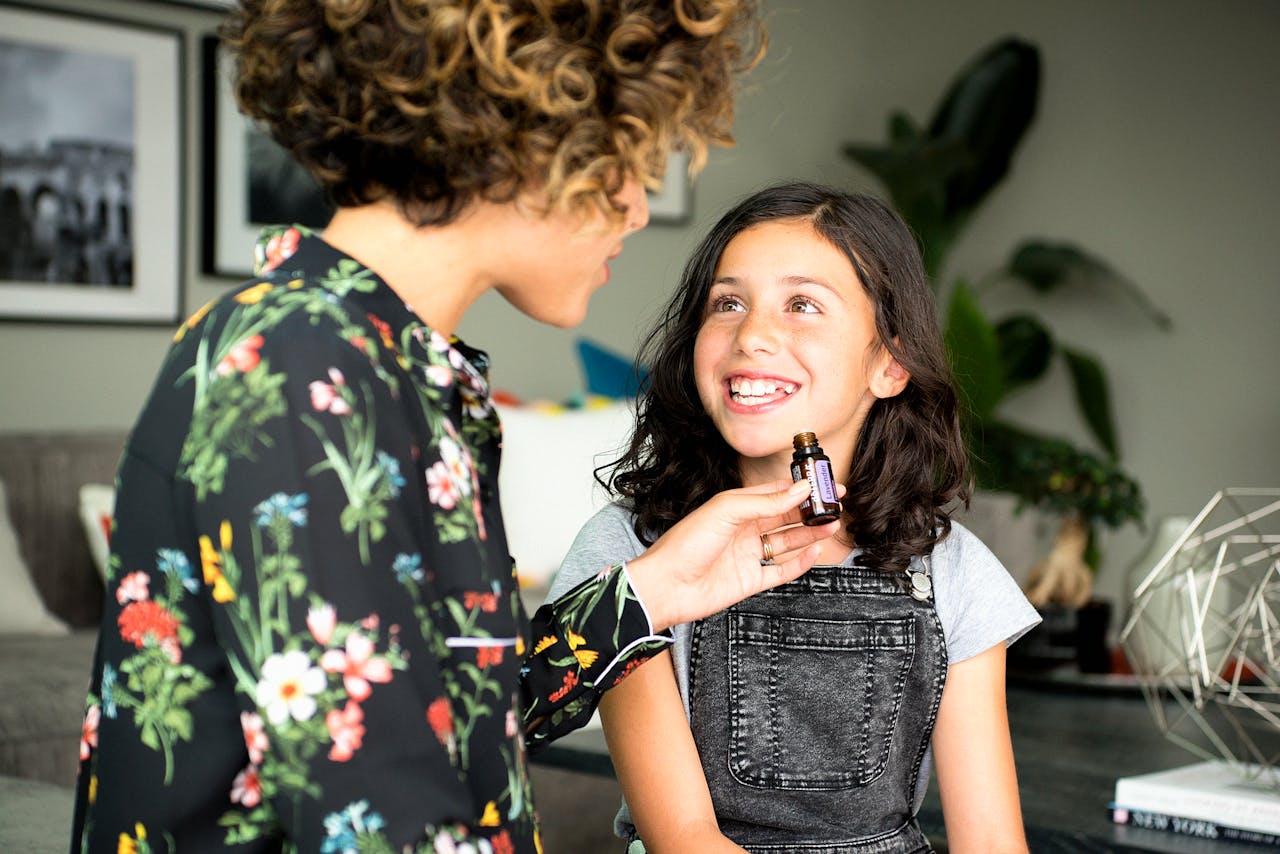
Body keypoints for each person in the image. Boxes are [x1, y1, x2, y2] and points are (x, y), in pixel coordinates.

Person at [68, 4, 848, 852]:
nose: (636, 204)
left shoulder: (374, 361)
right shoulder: (303, 370)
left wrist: (653, 592)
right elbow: (375, 821)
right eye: (632, 154)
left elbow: (438, 718)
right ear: (532, 128)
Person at [550, 182, 1042, 853]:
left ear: (890, 363)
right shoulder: (629, 557)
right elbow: (684, 838)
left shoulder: (954, 569)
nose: (752, 335)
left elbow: (991, 843)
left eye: (802, 305)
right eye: (728, 303)